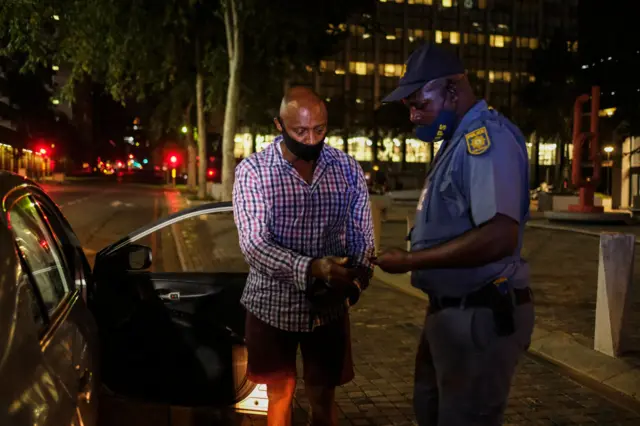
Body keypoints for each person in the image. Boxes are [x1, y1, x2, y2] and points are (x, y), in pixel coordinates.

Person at [374, 44, 535, 426]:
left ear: (451, 89)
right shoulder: (455, 141)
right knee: (430, 410)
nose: (414, 116)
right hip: (451, 314)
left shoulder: (485, 139)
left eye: (419, 103)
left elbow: (500, 234)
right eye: (409, 107)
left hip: (479, 314)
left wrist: (411, 261)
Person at [232, 86, 375, 426]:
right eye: (300, 131)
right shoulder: (253, 172)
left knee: (324, 397)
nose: (311, 139)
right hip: (272, 303)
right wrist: (311, 268)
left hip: (328, 309)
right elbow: (254, 245)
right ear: (278, 126)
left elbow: (362, 234)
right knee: (279, 396)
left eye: (320, 129)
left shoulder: (347, 169)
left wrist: (357, 275)